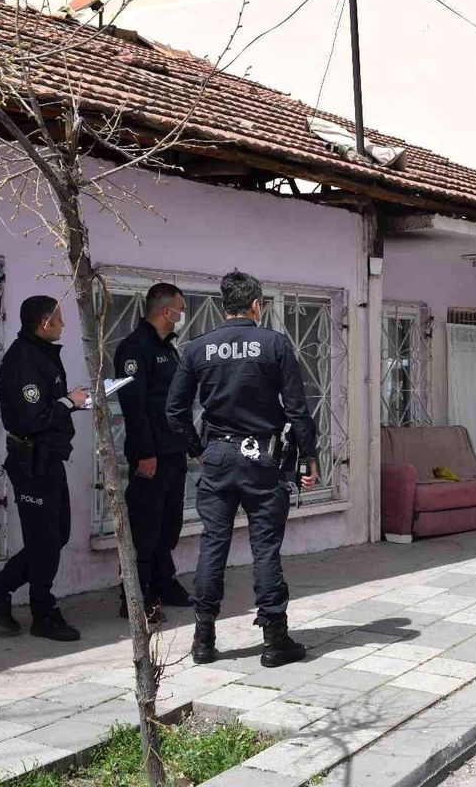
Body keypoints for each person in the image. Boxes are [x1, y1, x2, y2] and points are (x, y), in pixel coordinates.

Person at [167, 270, 318, 669]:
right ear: (256, 305)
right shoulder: (275, 344)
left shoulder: (197, 348)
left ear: (224, 306)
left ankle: (203, 639)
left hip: (218, 457)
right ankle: (274, 640)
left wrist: (199, 449)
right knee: (265, 548)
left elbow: (175, 411)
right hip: (262, 460)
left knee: (213, 544)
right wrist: (308, 457)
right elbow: (297, 409)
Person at [0, 296, 86, 642]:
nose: (63, 324)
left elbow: (47, 406)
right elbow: (32, 418)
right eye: (59, 318)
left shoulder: (42, 354)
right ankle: (42, 613)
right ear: (45, 322)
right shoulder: (24, 360)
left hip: (48, 458)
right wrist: (69, 402)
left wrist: (71, 402)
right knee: (44, 539)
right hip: (31, 462)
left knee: (56, 535)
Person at [113, 283, 193, 623]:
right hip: (151, 454)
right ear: (165, 311)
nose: (182, 314)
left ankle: (163, 581)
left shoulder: (168, 348)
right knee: (144, 527)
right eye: (180, 309)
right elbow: (134, 407)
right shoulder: (135, 349)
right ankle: (135, 595)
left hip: (173, 451)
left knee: (168, 524)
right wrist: (146, 452)